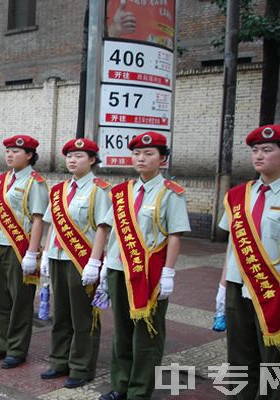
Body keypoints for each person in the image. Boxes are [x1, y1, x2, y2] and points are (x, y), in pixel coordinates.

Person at [215, 124, 280, 400]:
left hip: (275, 291)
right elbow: (233, 245)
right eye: (255, 150)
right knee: (239, 357)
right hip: (237, 286)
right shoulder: (237, 195)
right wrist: (222, 287)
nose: (259, 156)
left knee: (274, 361)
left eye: (267, 150)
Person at [99, 131, 190, 400]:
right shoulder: (122, 192)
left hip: (150, 274)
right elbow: (111, 230)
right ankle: (121, 384)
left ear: (162, 159)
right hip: (118, 269)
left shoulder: (171, 193)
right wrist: (103, 265)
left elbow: (174, 235)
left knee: (147, 334)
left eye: (149, 154)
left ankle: (140, 390)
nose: (141, 158)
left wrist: (169, 273)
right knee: (122, 331)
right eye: (137, 153)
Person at [39, 138, 111, 389]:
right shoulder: (58, 190)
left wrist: (94, 262)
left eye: (79, 156)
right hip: (58, 258)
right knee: (61, 314)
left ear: (92, 160)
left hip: (82, 261)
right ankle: (59, 360)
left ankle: (82, 366)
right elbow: (53, 227)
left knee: (83, 316)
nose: (72, 160)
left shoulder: (100, 189)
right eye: (69, 155)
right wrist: (46, 254)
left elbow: (103, 228)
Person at [0, 135, 49, 369]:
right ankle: (1, 345)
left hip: (20, 249)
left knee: (20, 301)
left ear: (29, 155)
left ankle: (17, 350)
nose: (10, 155)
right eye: (8, 151)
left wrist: (32, 253)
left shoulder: (35, 182)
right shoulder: (0, 181)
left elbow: (39, 219)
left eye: (16, 151)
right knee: (0, 300)